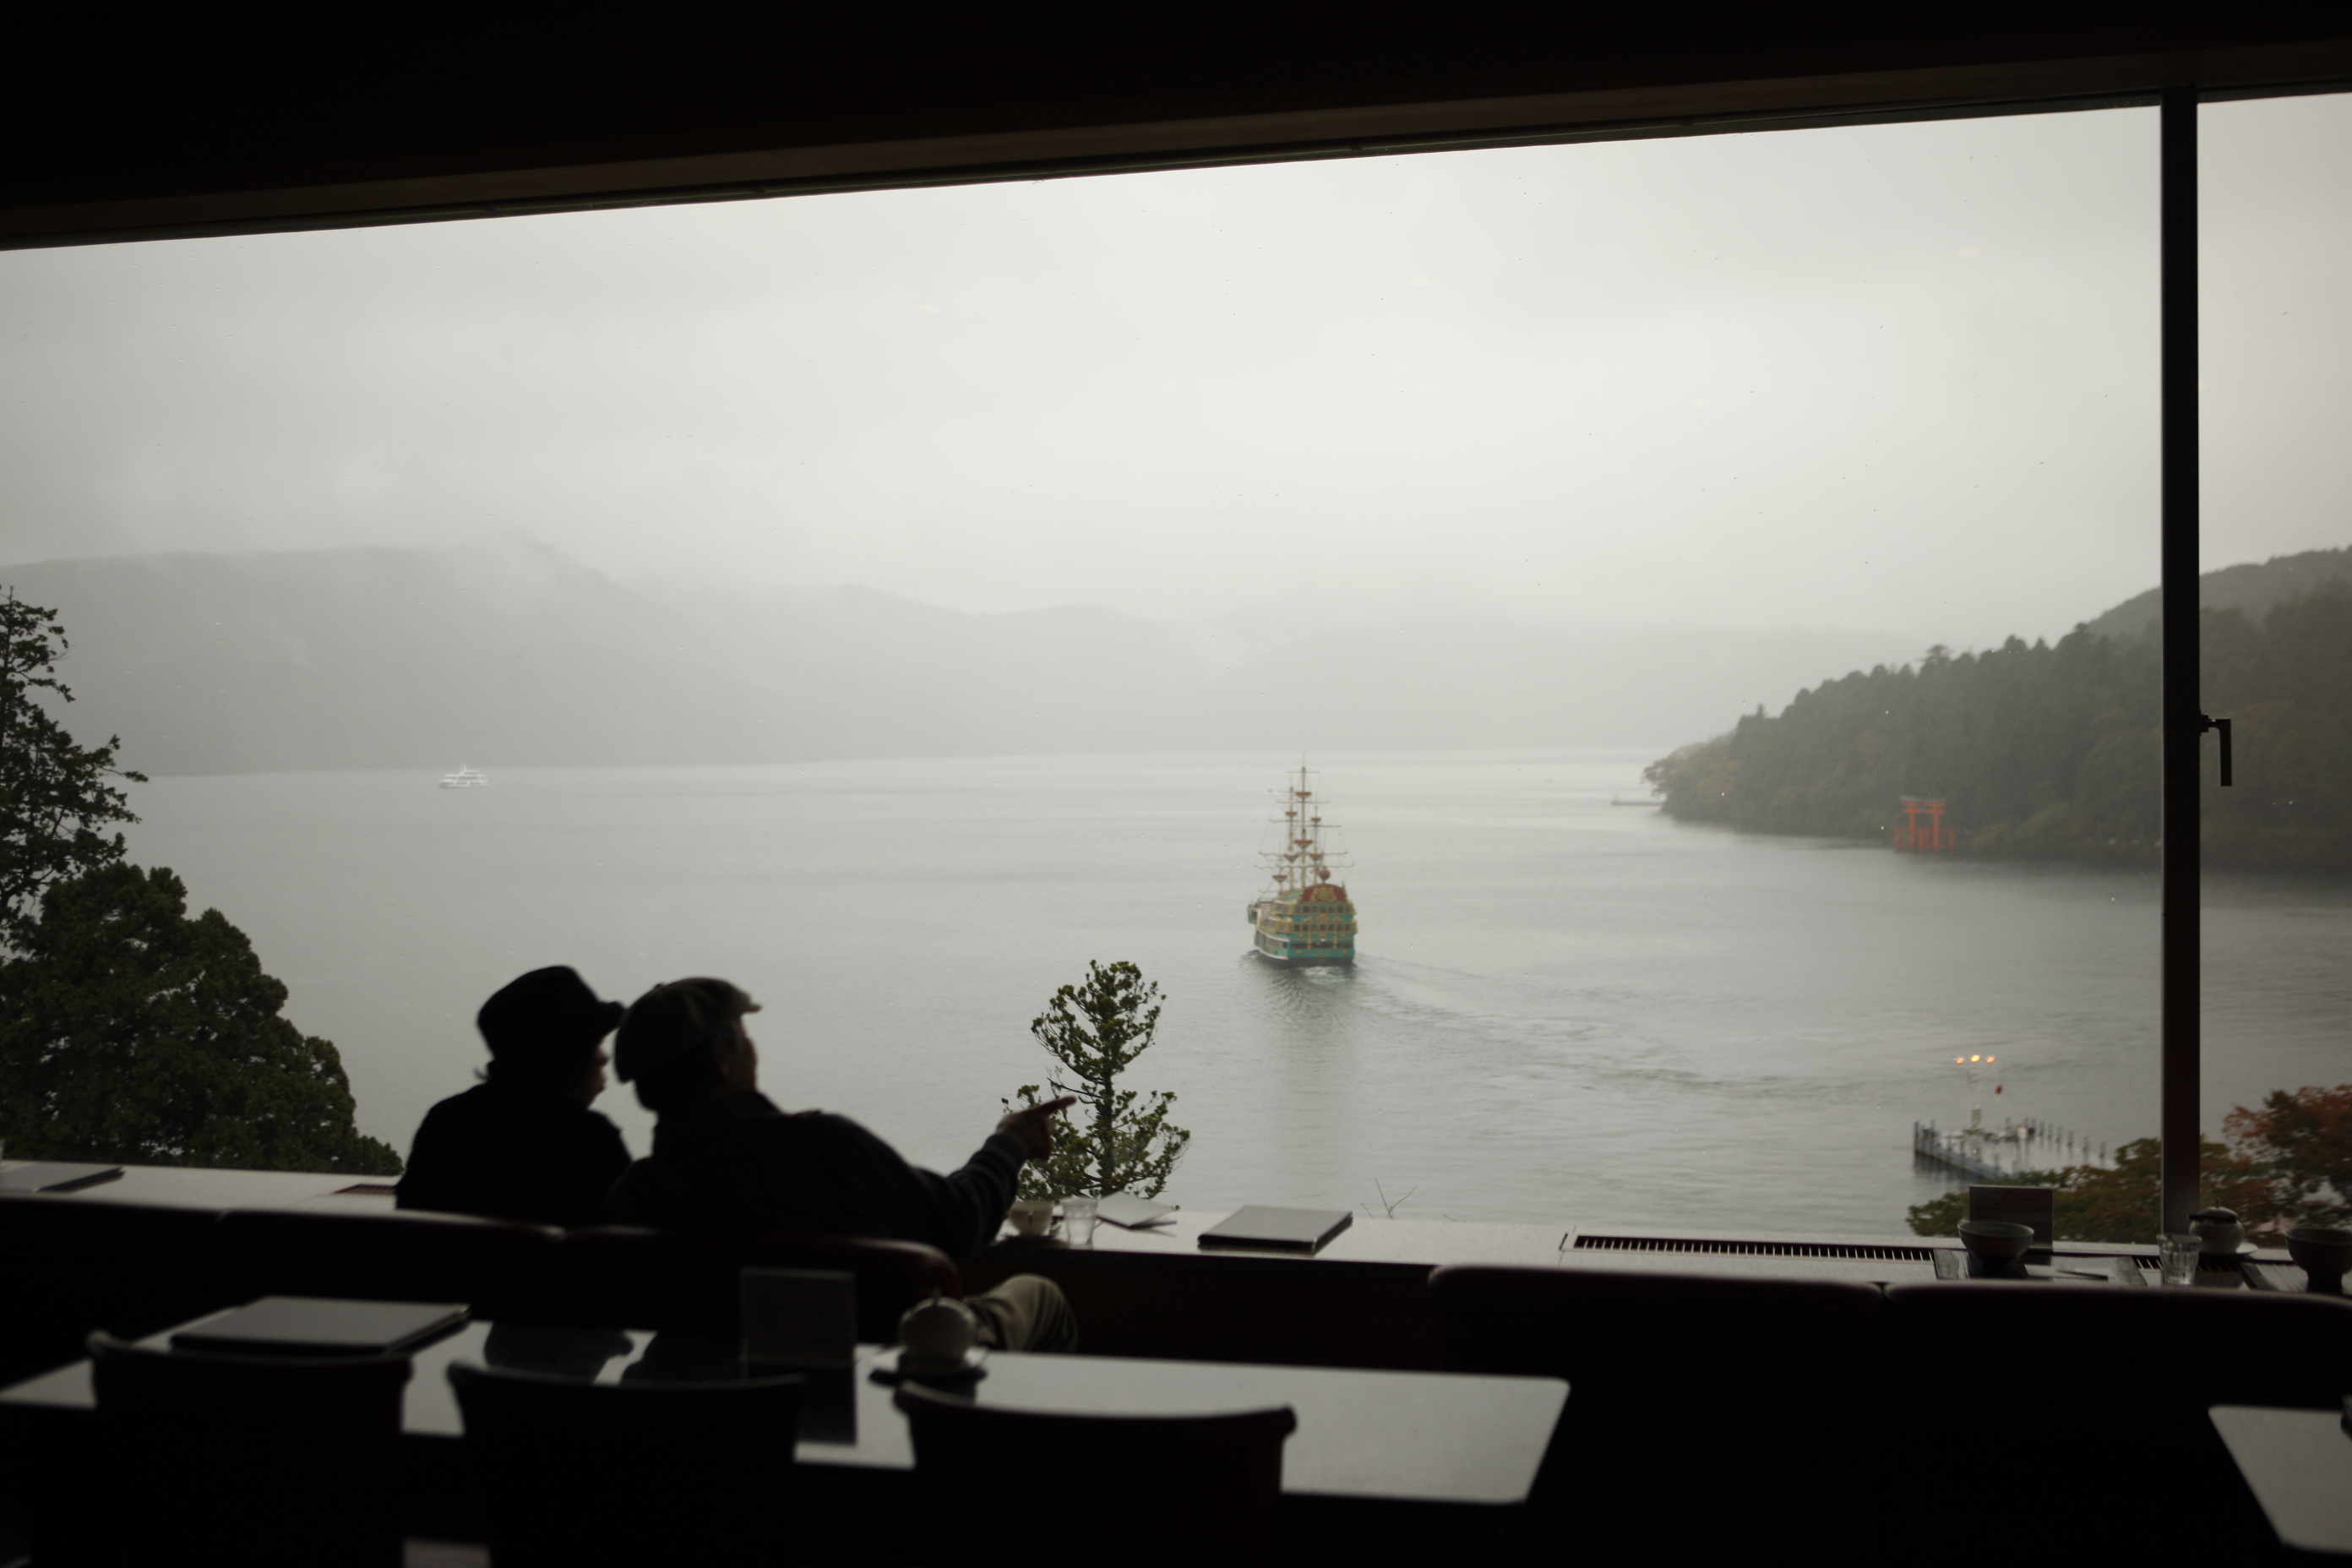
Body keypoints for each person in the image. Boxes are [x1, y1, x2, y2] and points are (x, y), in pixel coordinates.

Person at [607, 976, 1078, 1353]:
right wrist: (1010, 1144)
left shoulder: (635, 1196)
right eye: (743, 1037)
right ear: (723, 1058)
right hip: (881, 1368)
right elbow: (958, 1221)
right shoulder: (818, 1148)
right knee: (1041, 1295)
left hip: (708, 1410)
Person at [396, 966, 632, 1228]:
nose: (604, 1056)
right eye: (596, 1043)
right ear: (571, 1056)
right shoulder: (592, 1140)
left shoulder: (444, 1123)